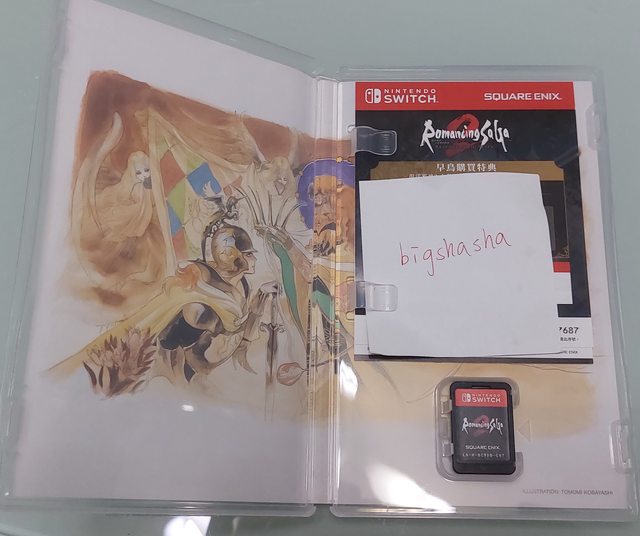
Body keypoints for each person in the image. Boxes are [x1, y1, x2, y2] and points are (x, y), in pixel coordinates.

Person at [157, 220, 278, 382]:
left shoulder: (243, 285)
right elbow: (200, 350)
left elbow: (242, 334)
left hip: (222, 371)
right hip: (192, 375)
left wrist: (262, 294)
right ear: (231, 255)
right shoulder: (203, 299)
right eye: (248, 254)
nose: (255, 259)